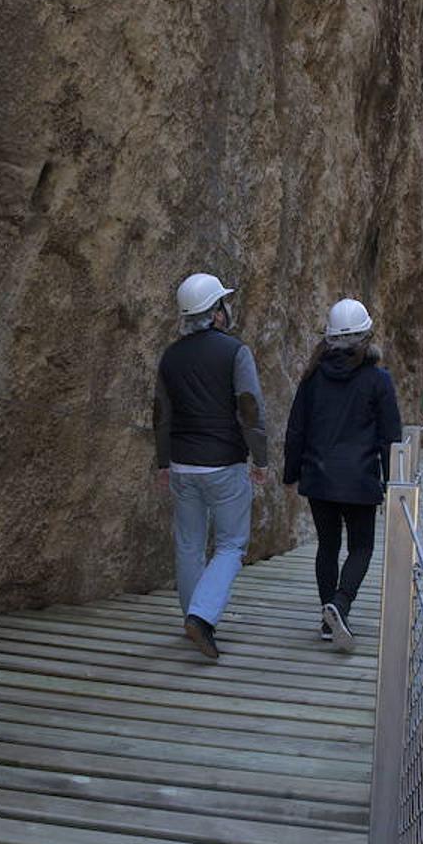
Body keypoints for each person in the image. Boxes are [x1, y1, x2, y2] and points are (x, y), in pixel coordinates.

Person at [153, 273, 268, 660]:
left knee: (189, 544)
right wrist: (261, 457)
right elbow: (249, 408)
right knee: (232, 544)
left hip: (183, 465)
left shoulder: (169, 356)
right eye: (223, 304)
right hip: (223, 464)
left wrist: (163, 461)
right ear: (216, 312)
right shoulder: (235, 352)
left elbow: (161, 414)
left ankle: (191, 615)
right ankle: (201, 618)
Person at [282, 299, 402, 652]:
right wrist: (391, 480)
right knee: (361, 546)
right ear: (367, 334)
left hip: (318, 478)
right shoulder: (378, 380)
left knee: (327, 547)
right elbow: (389, 436)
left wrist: (291, 473)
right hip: (360, 479)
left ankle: (326, 620)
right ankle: (341, 604)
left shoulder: (312, 376)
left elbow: (296, 429)